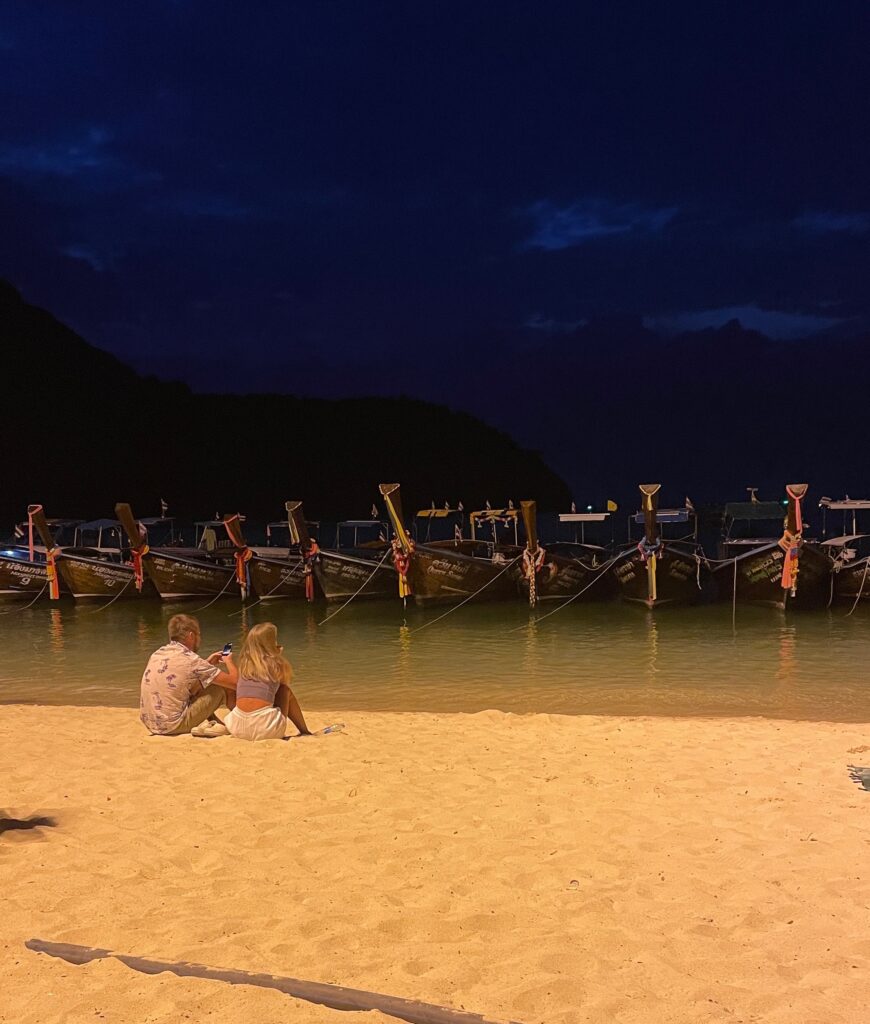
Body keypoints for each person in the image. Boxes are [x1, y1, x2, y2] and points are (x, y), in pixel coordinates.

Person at [140, 614, 238, 736]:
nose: (200, 639)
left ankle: (217, 723)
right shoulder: (192, 660)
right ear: (191, 636)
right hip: (173, 726)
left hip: (151, 724)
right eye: (199, 635)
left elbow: (184, 677)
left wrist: (207, 663)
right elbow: (235, 683)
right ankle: (240, 723)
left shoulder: (158, 653)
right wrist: (229, 661)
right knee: (222, 687)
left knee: (199, 683)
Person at [225, 622, 311, 741]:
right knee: (284, 690)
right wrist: (277, 656)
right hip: (265, 729)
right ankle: (304, 731)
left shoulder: (244, 665)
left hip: (236, 727)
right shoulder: (277, 663)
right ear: (271, 643)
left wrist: (228, 661)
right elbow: (283, 685)